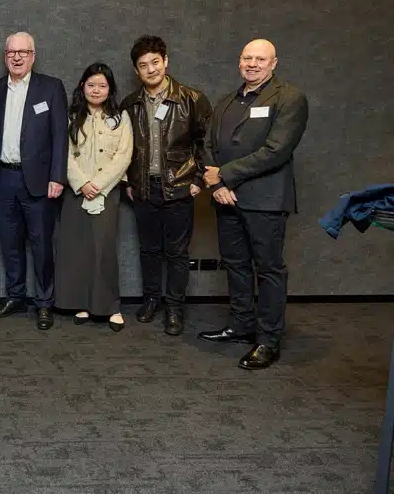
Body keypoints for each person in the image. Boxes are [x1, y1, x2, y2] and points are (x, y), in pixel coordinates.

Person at [198, 39, 308, 370]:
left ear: (274, 63)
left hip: (265, 201)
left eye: (261, 59)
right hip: (226, 199)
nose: (253, 64)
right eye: (247, 58)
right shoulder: (226, 101)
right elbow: (206, 145)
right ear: (239, 62)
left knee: (269, 270)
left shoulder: (290, 98)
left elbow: (277, 151)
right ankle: (241, 326)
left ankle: (268, 340)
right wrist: (216, 184)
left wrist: (226, 175)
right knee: (236, 265)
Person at [121, 35, 212, 336]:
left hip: (179, 186)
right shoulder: (130, 104)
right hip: (143, 188)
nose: (150, 69)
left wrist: (199, 179)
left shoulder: (191, 99)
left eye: (155, 62)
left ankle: (174, 307)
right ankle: (151, 299)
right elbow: (123, 148)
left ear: (166, 61)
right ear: (137, 71)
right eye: (143, 65)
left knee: (176, 252)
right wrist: (129, 182)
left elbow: (206, 143)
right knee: (149, 249)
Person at [0, 32, 67, 331]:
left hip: (40, 181)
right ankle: (15, 296)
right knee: (10, 244)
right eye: (11, 52)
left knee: (42, 244)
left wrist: (58, 176)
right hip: (2, 178)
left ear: (33, 55)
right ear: (5, 56)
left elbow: (60, 136)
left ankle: (44, 303)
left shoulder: (51, 87)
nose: (17, 57)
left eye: (23, 52)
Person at [55, 63, 133, 331]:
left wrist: (98, 184)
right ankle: (83, 303)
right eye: (91, 85)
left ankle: (111, 307)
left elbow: (124, 156)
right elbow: (62, 154)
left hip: (107, 192)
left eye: (102, 85)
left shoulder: (120, 117)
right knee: (78, 250)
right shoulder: (71, 116)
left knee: (104, 250)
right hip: (76, 192)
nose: (96, 90)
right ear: (82, 87)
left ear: (109, 89)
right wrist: (82, 183)